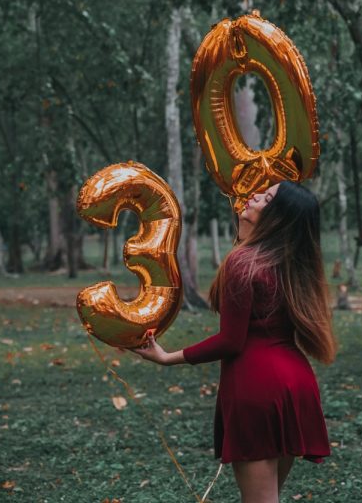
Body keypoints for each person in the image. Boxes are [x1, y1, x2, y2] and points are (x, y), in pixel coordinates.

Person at [129, 181, 337, 503]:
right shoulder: (290, 263)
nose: (253, 195)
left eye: (266, 198)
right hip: (296, 385)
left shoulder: (243, 263)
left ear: (278, 217)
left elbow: (231, 341)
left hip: (257, 390)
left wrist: (168, 357)